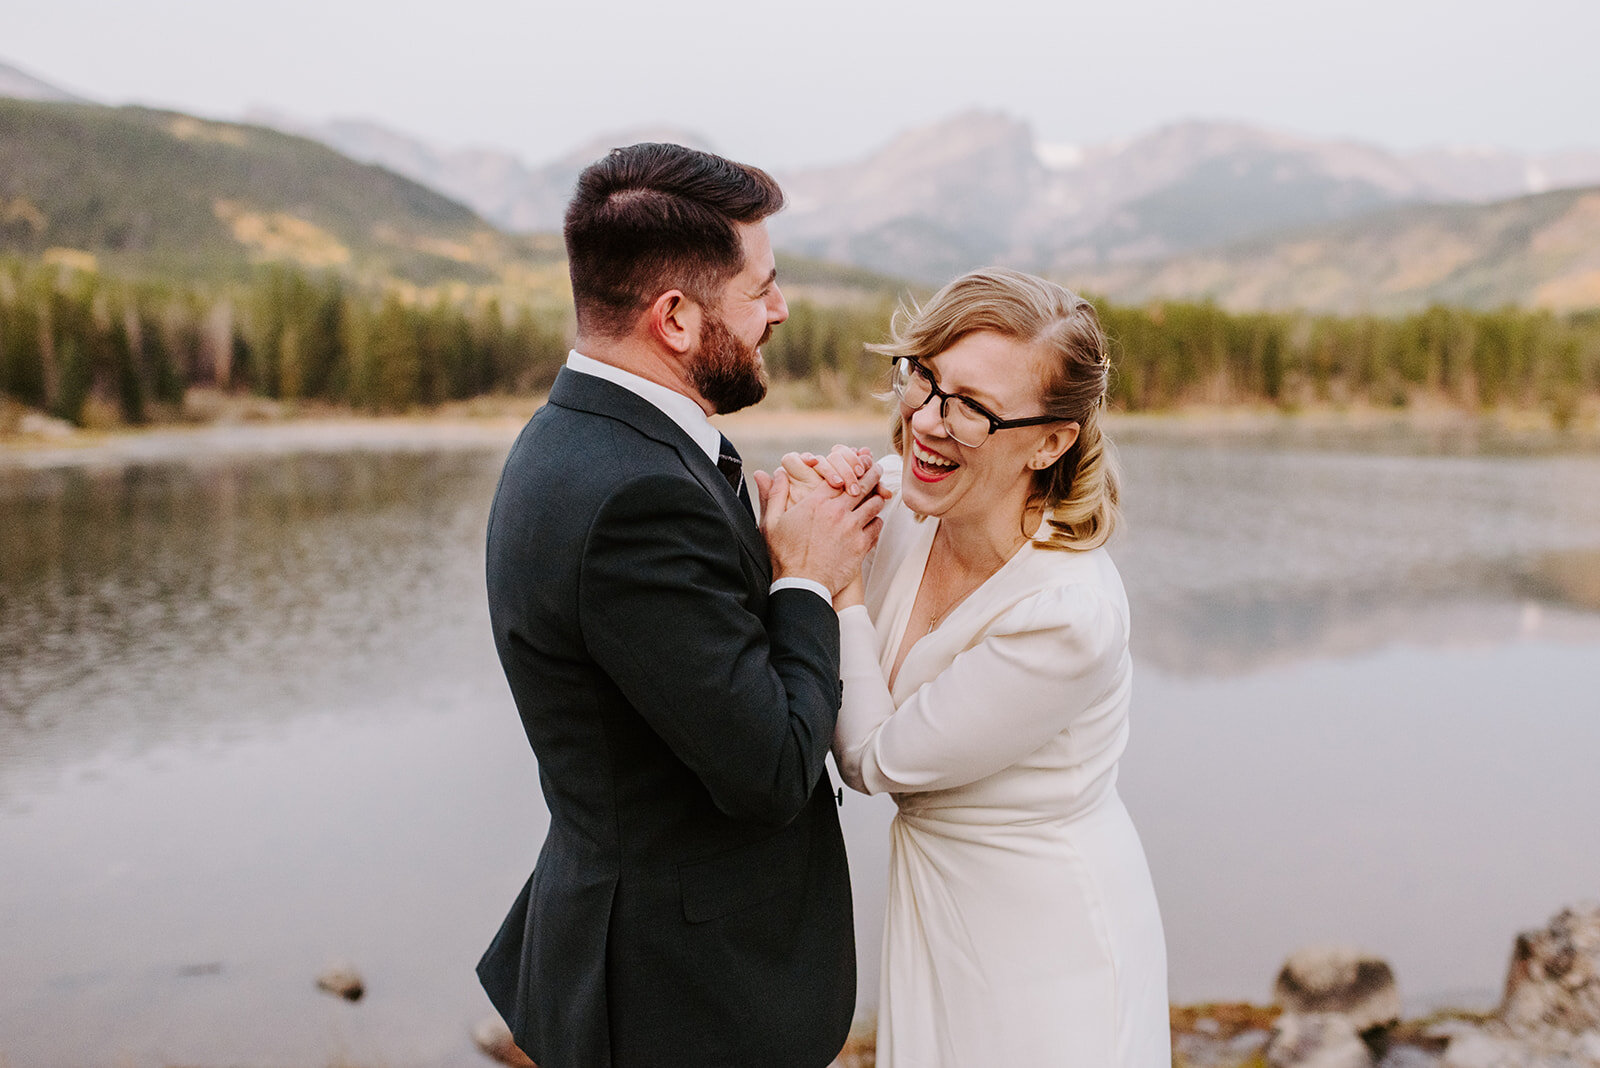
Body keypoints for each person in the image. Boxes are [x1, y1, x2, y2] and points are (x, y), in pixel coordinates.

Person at [476, 143, 886, 1068]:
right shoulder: (633, 497)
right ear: (675, 317)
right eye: (762, 289)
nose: (779, 309)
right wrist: (806, 579)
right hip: (685, 1003)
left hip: (652, 965)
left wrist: (778, 535)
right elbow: (773, 767)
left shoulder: (583, 440)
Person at [780, 267, 1170, 1066]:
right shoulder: (902, 506)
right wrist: (808, 498)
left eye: (973, 408)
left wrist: (838, 582)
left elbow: (874, 758)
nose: (927, 421)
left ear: (1053, 441)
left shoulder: (1066, 616)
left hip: (1044, 937)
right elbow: (790, 530)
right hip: (940, 907)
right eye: (925, 381)